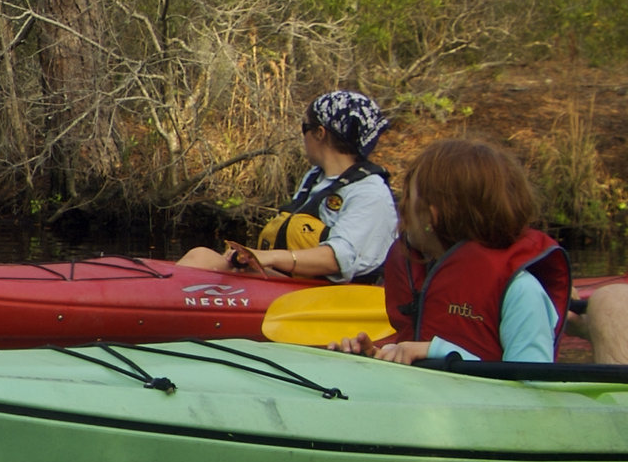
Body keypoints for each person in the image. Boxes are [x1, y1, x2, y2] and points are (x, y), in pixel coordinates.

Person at [333, 138, 570, 365]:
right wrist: (380, 357)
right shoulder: (423, 269)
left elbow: (533, 388)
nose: (401, 207)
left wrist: (434, 352)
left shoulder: (521, 291)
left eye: (408, 197)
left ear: (432, 216)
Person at [179, 90, 397, 283]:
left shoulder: (370, 193)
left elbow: (338, 259)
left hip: (338, 299)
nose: (303, 137)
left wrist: (269, 257)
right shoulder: (315, 178)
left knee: (202, 259)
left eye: (305, 128)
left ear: (320, 133)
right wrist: (249, 258)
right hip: (298, 285)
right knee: (202, 256)